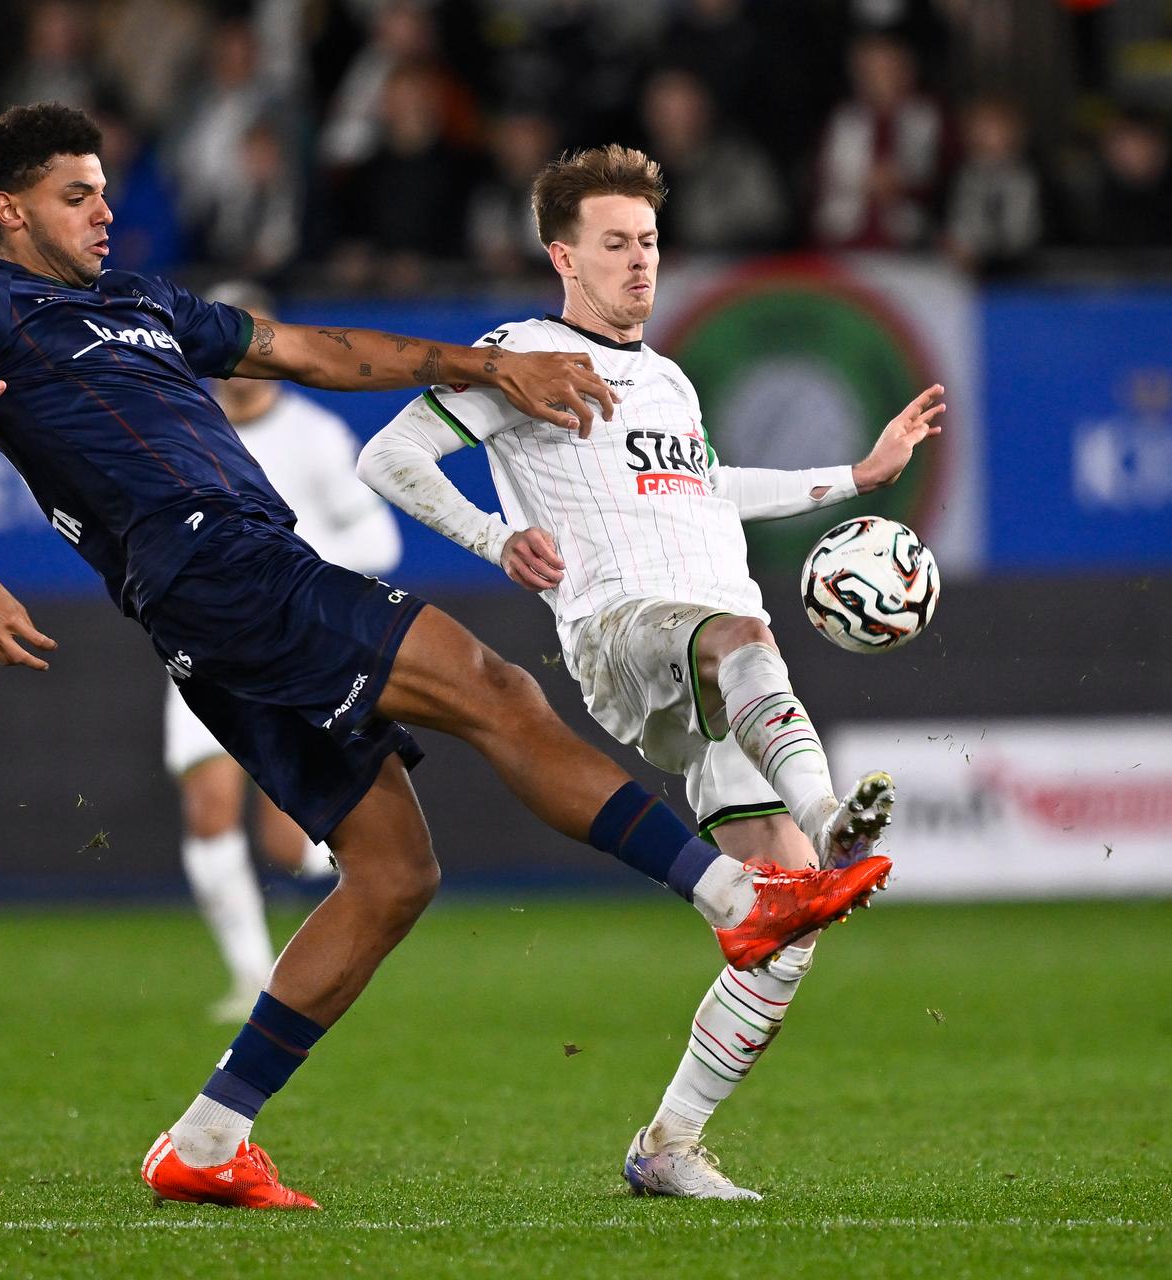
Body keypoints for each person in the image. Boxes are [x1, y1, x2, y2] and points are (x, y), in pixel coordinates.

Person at [0, 103, 890, 1211]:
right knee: (498, 689)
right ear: (11, 209)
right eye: (76, 195)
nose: (106, 211)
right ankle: (735, 897)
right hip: (215, 563)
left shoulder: (142, 304)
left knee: (392, 873)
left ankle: (208, 1135)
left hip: (220, 589)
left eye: (105, 189)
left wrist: (479, 368)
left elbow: (314, 351)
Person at [357, 144, 943, 1200]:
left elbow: (708, 488)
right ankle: (831, 809)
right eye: (617, 244)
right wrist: (491, 539)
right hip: (624, 630)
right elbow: (388, 459)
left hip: (715, 663)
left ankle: (669, 1143)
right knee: (737, 637)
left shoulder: (668, 377)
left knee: (790, 913)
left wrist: (854, 474)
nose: (641, 263)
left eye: (652, 242)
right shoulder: (522, 353)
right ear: (563, 256)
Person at [170, 280, 402, 1023]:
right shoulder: (183, 425)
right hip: (204, 641)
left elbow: (380, 540)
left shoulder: (316, 435)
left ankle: (317, 918)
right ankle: (251, 979)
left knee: (285, 841)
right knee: (207, 809)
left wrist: (281, 559)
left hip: (293, 644)